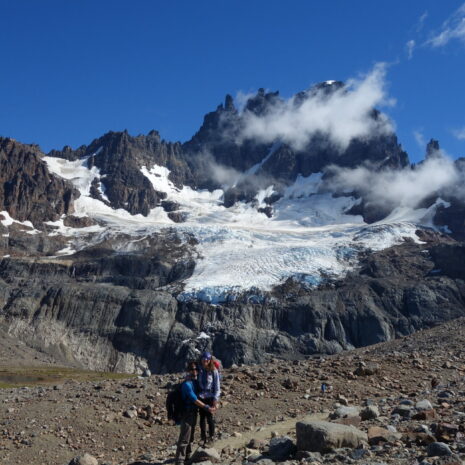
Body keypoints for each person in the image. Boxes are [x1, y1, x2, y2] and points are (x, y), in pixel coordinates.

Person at [175, 361, 216, 465]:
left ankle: (187, 457)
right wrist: (206, 407)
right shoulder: (186, 384)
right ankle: (179, 460)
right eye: (192, 369)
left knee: (191, 436)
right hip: (187, 412)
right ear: (188, 370)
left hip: (194, 412)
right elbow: (194, 399)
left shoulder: (195, 382)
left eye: (196, 369)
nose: (195, 371)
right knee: (185, 437)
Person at [197, 351, 221, 445]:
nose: (205, 360)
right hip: (201, 396)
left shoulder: (213, 371)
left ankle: (211, 437)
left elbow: (217, 386)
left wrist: (215, 399)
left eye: (206, 359)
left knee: (209, 418)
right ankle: (203, 437)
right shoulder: (200, 370)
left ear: (209, 360)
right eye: (203, 359)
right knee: (202, 418)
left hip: (210, 397)